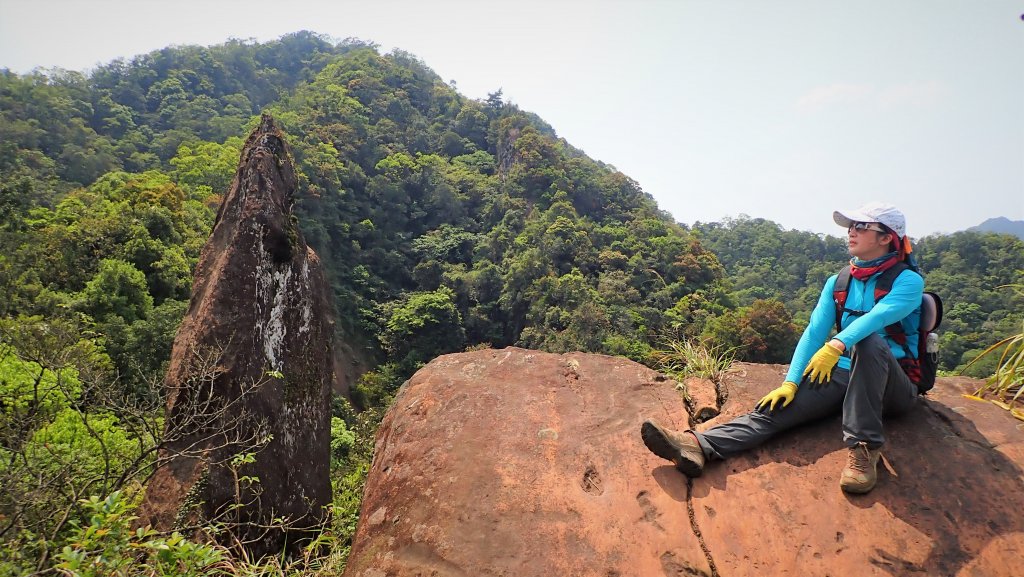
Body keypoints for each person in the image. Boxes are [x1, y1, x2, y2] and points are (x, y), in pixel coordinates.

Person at [641, 201, 924, 494]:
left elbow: (877, 318)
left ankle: (864, 450)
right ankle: (698, 445)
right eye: (851, 226)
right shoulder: (840, 280)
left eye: (862, 227)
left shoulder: (908, 281)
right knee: (777, 407)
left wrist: (837, 345)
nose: (851, 232)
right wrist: (790, 382)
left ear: (886, 237)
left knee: (866, 340)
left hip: (893, 385)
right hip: (843, 375)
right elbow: (814, 333)